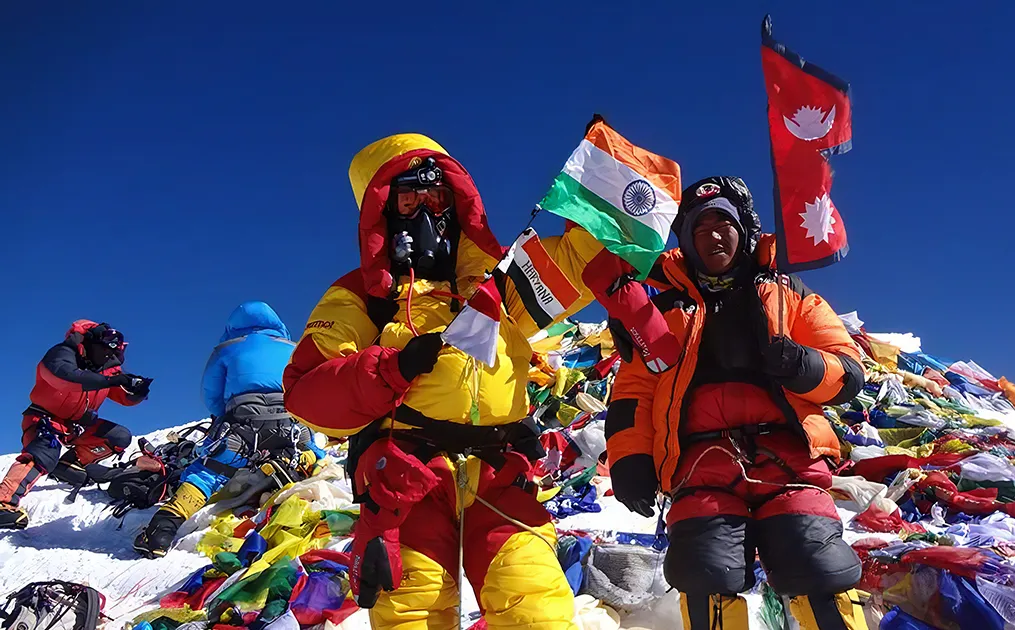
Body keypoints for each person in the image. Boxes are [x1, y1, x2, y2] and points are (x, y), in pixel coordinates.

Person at [283, 133, 603, 629]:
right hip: (405, 478)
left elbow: (581, 265)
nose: (428, 211)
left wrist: (599, 195)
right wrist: (389, 368)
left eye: (437, 197)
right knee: (414, 613)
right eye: (409, 198)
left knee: (536, 604)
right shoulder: (364, 297)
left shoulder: (500, 283)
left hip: (498, 470)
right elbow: (306, 395)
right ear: (383, 212)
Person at [604, 177, 868, 630]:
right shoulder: (658, 311)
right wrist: (629, 460)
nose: (714, 234)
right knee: (704, 572)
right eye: (700, 227)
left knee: (819, 567)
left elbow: (847, 373)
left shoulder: (789, 295)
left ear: (743, 230)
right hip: (700, 464)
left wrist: (801, 364)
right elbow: (633, 393)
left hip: (788, 461)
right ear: (686, 239)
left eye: (724, 222)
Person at [134, 301, 324, 558]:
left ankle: (161, 532)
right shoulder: (293, 349)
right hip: (291, 426)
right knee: (312, 448)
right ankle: (297, 462)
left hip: (243, 426)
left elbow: (211, 397)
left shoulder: (226, 349)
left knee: (205, 474)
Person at [0, 321, 151, 529]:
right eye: (103, 349)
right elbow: (66, 377)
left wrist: (138, 391)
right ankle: (3, 502)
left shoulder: (108, 370)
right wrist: (111, 381)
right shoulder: (62, 354)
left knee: (119, 436)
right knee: (43, 453)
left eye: (111, 351)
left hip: (76, 425)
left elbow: (123, 397)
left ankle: (70, 465)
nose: (107, 355)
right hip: (45, 419)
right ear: (90, 343)